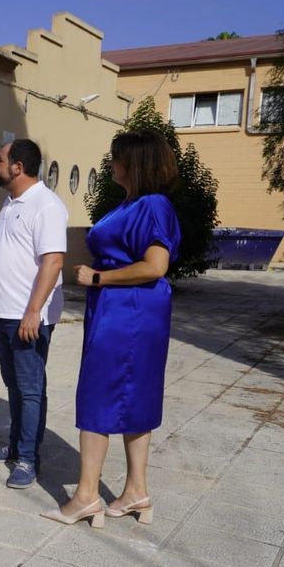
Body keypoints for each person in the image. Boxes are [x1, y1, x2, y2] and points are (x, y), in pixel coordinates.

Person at [41, 130, 182, 528]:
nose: (111, 163)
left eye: (116, 157)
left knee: (98, 394)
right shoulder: (134, 203)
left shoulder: (152, 205)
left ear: (134, 163)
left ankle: (86, 496)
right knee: (135, 395)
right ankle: (136, 491)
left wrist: (99, 277)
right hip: (128, 310)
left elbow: (156, 266)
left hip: (127, 312)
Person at [0, 139, 68, 489]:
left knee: (30, 388)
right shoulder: (11, 202)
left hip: (26, 315)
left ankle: (28, 459)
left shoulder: (46, 205)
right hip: (4, 311)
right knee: (13, 384)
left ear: (17, 167)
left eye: (0, 160)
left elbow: (53, 261)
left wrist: (33, 311)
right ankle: (16, 446)